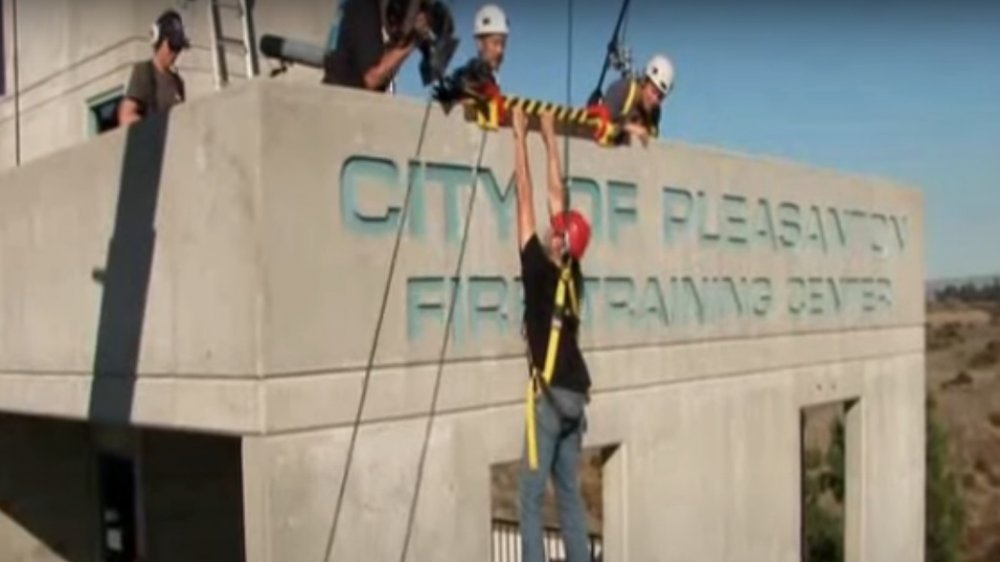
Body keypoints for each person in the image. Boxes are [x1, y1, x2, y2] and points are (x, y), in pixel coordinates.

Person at [511, 105, 593, 562]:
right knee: (570, 499)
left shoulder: (539, 269)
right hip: (576, 399)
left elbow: (527, 197)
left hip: (550, 399)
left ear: (561, 242)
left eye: (556, 231)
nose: (549, 228)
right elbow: (557, 200)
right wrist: (549, 136)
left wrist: (520, 138)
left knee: (528, 498)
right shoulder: (573, 274)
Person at [322, 0, 432, 92]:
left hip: (333, 91)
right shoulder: (364, 7)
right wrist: (415, 39)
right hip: (347, 100)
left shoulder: (353, 5)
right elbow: (372, 77)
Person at [118, 10, 190, 127]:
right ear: (158, 40)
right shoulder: (144, 72)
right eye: (172, 46)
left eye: (179, 48)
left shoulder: (178, 82)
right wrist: (155, 129)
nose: (175, 53)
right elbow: (126, 116)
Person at [601, 53, 675, 147]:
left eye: (660, 97)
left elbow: (652, 142)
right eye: (653, 91)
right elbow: (601, 120)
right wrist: (630, 128)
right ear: (644, 82)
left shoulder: (655, 112)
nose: (655, 99)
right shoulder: (622, 90)